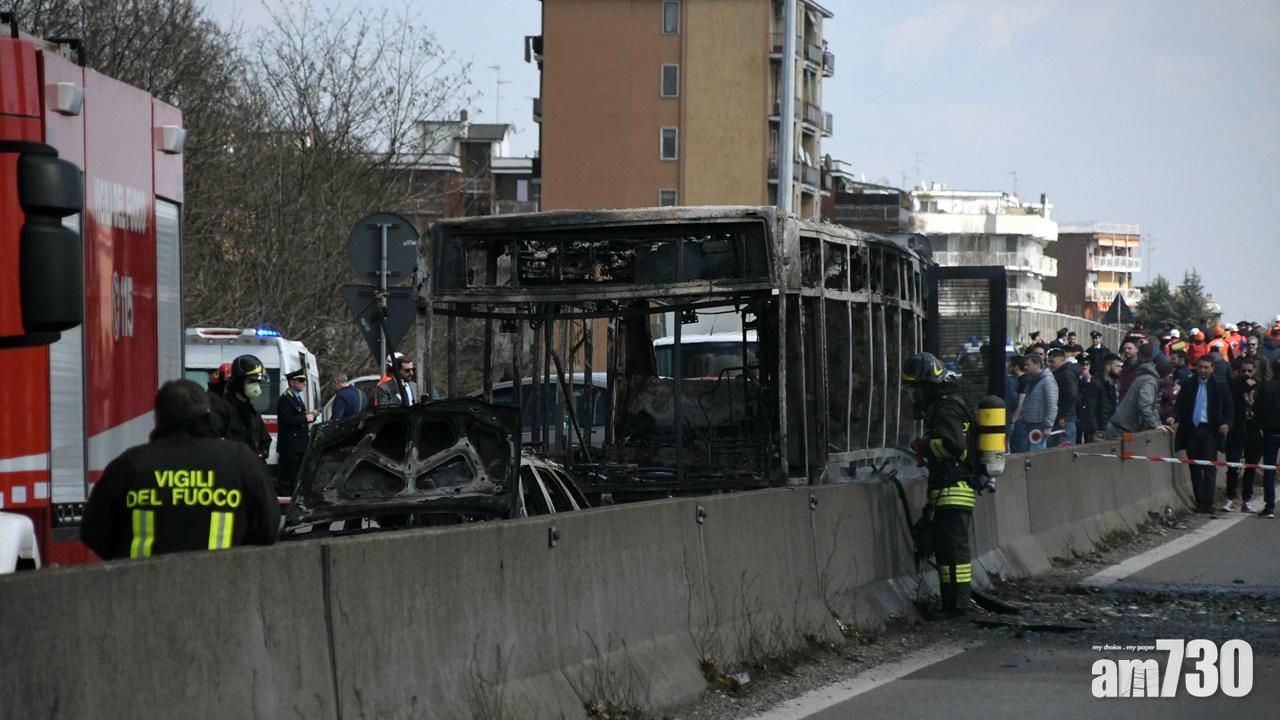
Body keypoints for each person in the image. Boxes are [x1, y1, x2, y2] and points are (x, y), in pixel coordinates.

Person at [80, 379, 280, 560]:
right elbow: (268, 528)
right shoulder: (240, 461)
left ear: (157, 417)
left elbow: (93, 531)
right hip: (221, 588)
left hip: (142, 591)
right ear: (207, 414)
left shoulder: (131, 465)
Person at [902, 352, 980, 616]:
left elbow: (954, 446)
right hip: (949, 488)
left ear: (928, 384)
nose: (916, 396)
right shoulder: (949, 403)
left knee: (954, 554)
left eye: (918, 389)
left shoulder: (946, 408)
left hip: (953, 488)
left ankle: (957, 606)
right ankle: (952, 605)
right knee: (946, 553)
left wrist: (926, 445)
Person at [1173, 356, 1233, 514]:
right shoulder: (1188, 384)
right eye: (1200, 367)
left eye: (1206, 367)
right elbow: (1179, 406)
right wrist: (1173, 416)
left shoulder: (1220, 386)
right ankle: (1200, 502)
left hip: (1210, 431)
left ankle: (1209, 501)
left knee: (1209, 467)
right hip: (1192, 430)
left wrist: (1226, 424)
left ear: (1212, 369)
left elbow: (1229, 409)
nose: (1203, 370)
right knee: (1195, 467)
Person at [210, 354, 272, 460]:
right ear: (239, 382)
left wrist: (259, 456)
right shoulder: (221, 410)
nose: (256, 386)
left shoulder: (252, 413)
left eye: (257, 382)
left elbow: (265, 441)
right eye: (252, 381)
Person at [1224, 358, 1264, 512]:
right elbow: (1230, 400)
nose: (1246, 374)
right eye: (1243, 371)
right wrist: (1244, 387)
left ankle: (1246, 500)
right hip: (1237, 430)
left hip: (1254, 431)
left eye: (1249, 371)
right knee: (1232, 466)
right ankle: (1230, 498)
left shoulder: (1260, 387)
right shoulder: (1234, 384)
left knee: (1251, 467)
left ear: (1255, 371)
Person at [275, 369, 319, 497]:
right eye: (300, 380)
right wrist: (305, 418)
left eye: (304, 380)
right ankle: (286, 502)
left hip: (299, 444)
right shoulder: (285, 399)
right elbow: (286, 420)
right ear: (292, 382)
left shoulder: (297, 398)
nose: (303, 383)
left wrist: (311, 415)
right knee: (288, 476)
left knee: (297, 476)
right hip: (290, 445)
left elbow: (298, 416)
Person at [1106, 349, 1164, 438]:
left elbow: (1152, 408)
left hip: (1124, 428)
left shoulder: (1145, 378)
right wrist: (1156, 424)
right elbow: (1145, 405)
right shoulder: (1149, 381)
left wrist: (1158, 423)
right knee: (1128, 451)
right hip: (1122, 430)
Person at [1013, 352, 1057, 452]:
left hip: (1039, 423)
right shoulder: (1034, 380)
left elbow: (1052, 404)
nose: (1025, 367)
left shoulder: (1047, 381)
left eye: (1028, 364)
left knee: (1037, 451)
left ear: (1036, 365)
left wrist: (1048, 425)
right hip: (1031, 422)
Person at [1254, 359, 1280, 518]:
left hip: (1270, 433)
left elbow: (1257, 409)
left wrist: (1261, 427)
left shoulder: (1264, 386)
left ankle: (1269, 507)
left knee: (1269, 470)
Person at [1080, 353, 1122, 443]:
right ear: (1108, 367)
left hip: (1112, 429)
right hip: (1100, 431)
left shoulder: (1116, 384)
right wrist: (1096, 431)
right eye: (1117, 366)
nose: (1120, 369)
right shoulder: (1096, 384)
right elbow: (1090, 409)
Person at [1047, 349, 1079, 447]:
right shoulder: (1060, 373)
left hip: (1065, 417)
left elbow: (1071, 395)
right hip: (1063, 415)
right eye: (1049, 362)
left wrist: (1063, 415)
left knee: (1064, 448)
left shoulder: (1065, 374)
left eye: (1053, 361)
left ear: (1061, 359)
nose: (1050, 364)